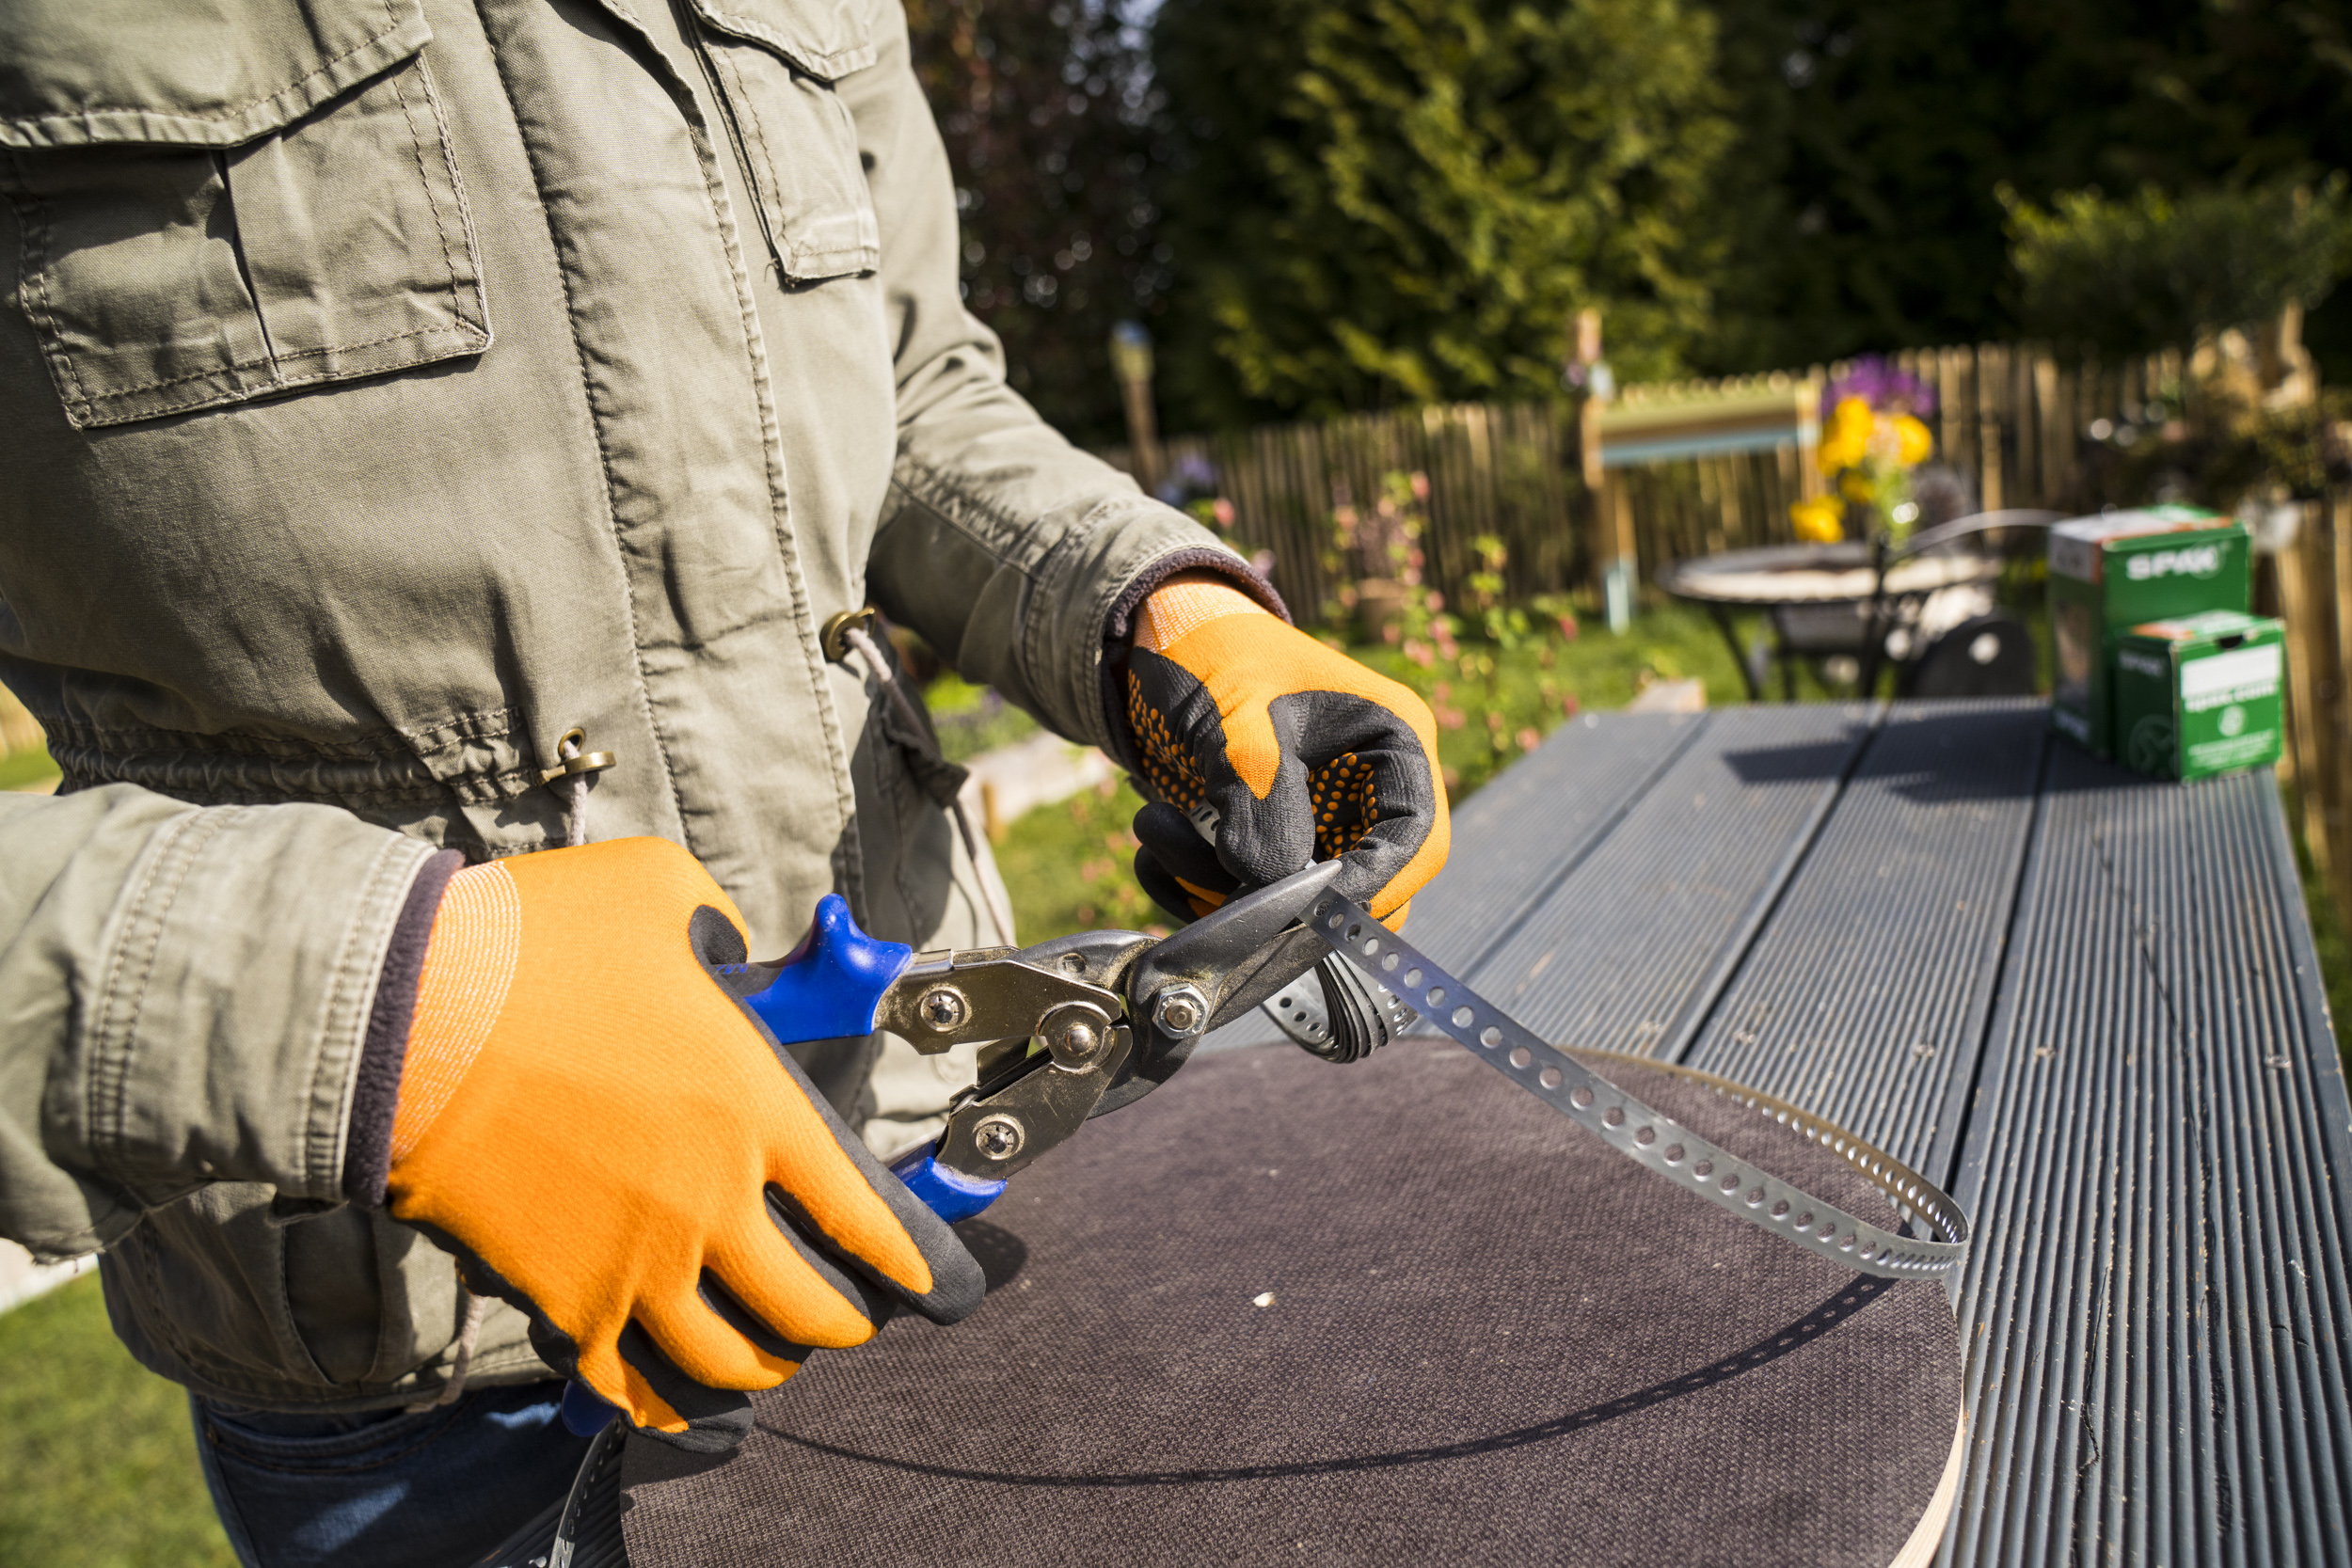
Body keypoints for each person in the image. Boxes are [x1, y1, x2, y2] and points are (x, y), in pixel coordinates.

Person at [0, 0, 1449, 1562]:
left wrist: (1158, 614)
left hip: (916, 1164)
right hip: (420, 1370)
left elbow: (905, 390)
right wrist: (375, 1013)